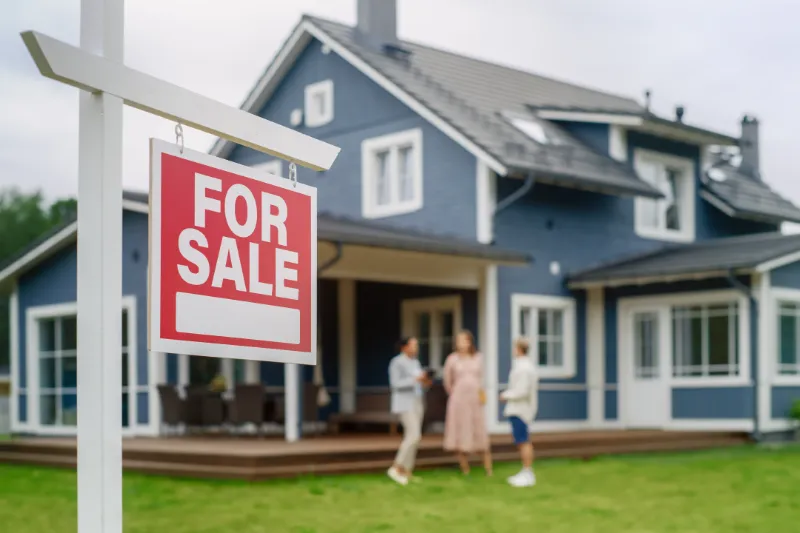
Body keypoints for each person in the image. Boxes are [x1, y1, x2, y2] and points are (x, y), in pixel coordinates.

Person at [443, 330, 492, 476]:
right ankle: (465, 469)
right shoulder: (452, 359)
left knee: (479, 431)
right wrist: (455, 392)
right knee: (461, 430)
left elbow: (482, 378)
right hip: (459, 400)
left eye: (463, 340)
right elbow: (448, 381)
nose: (461, 343)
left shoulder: (478, 358)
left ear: (470, 342)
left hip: (475, 400)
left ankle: (488, 469)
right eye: (458, 340)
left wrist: (481, 394)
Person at [387, 336, 431, 486]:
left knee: (414, 437)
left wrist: (424, 381)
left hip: (417, 401)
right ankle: (395, 467)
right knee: (414, 434)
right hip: (404, 403)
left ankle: (407, 470)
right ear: (404, 347)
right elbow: (395, 384)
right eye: (413, 345)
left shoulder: (415, 362)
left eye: (416, 345)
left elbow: (419, 382)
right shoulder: (396, 362)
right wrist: (415, 380)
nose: (416, 348)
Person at [500, 338, 539, 488]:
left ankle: (528, 472)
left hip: (520, 409)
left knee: (523, 441)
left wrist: (506, 395)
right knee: (522, 440)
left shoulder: (524, 368)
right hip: (520, 409)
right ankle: (526, 471)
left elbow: (522, 391)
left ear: (518, 349)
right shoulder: (525, 366)